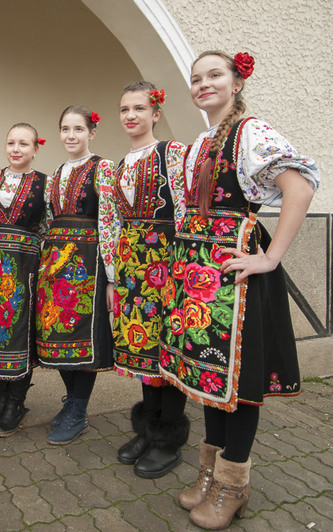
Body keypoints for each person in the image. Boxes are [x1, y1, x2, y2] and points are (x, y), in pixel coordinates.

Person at [159, 51, 318, 529]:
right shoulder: (203, 141)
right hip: (201, 273)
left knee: (239, 381)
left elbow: (300, 188)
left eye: (215, 75)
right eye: (196, 78)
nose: (203, 84)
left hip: (235, 273)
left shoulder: (251, 132)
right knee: (210, 377)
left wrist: (270, 257)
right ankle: (210, 475)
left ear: (237, 81)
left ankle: (233, 484)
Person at [112, 82, 190, 478]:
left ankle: (168, 437)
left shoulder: (171, 153)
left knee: (167, 347)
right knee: (142, 346)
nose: (130, 115)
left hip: (165, 264)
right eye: (125, 109)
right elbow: (114, 221)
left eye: (139, 108)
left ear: (156, 114)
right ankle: (147, 428)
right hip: (131, 265)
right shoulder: (121, 163)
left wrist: (182, 269)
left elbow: (186, 211)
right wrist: (114, 275)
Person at [36, 105, 119, 445]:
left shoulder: (103, 168)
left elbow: (110, 222)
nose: (71, 135)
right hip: (55, 264)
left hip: (87, 264)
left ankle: (79, 410)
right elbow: (47, 222)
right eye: (65, 129)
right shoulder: (56, 172)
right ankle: (71, 401)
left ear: (91, 133)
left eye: (78, 129)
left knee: (83, 335)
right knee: (57, 335)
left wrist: (111, 277)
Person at [0, 123, 48, 437]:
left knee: (19, 332)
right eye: (11, 143)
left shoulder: (45, 184)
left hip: (24, 267)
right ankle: (1, 398)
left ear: (35, 149)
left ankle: (17, 402)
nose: (16, 149)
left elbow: (49, 227)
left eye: (24, 144)